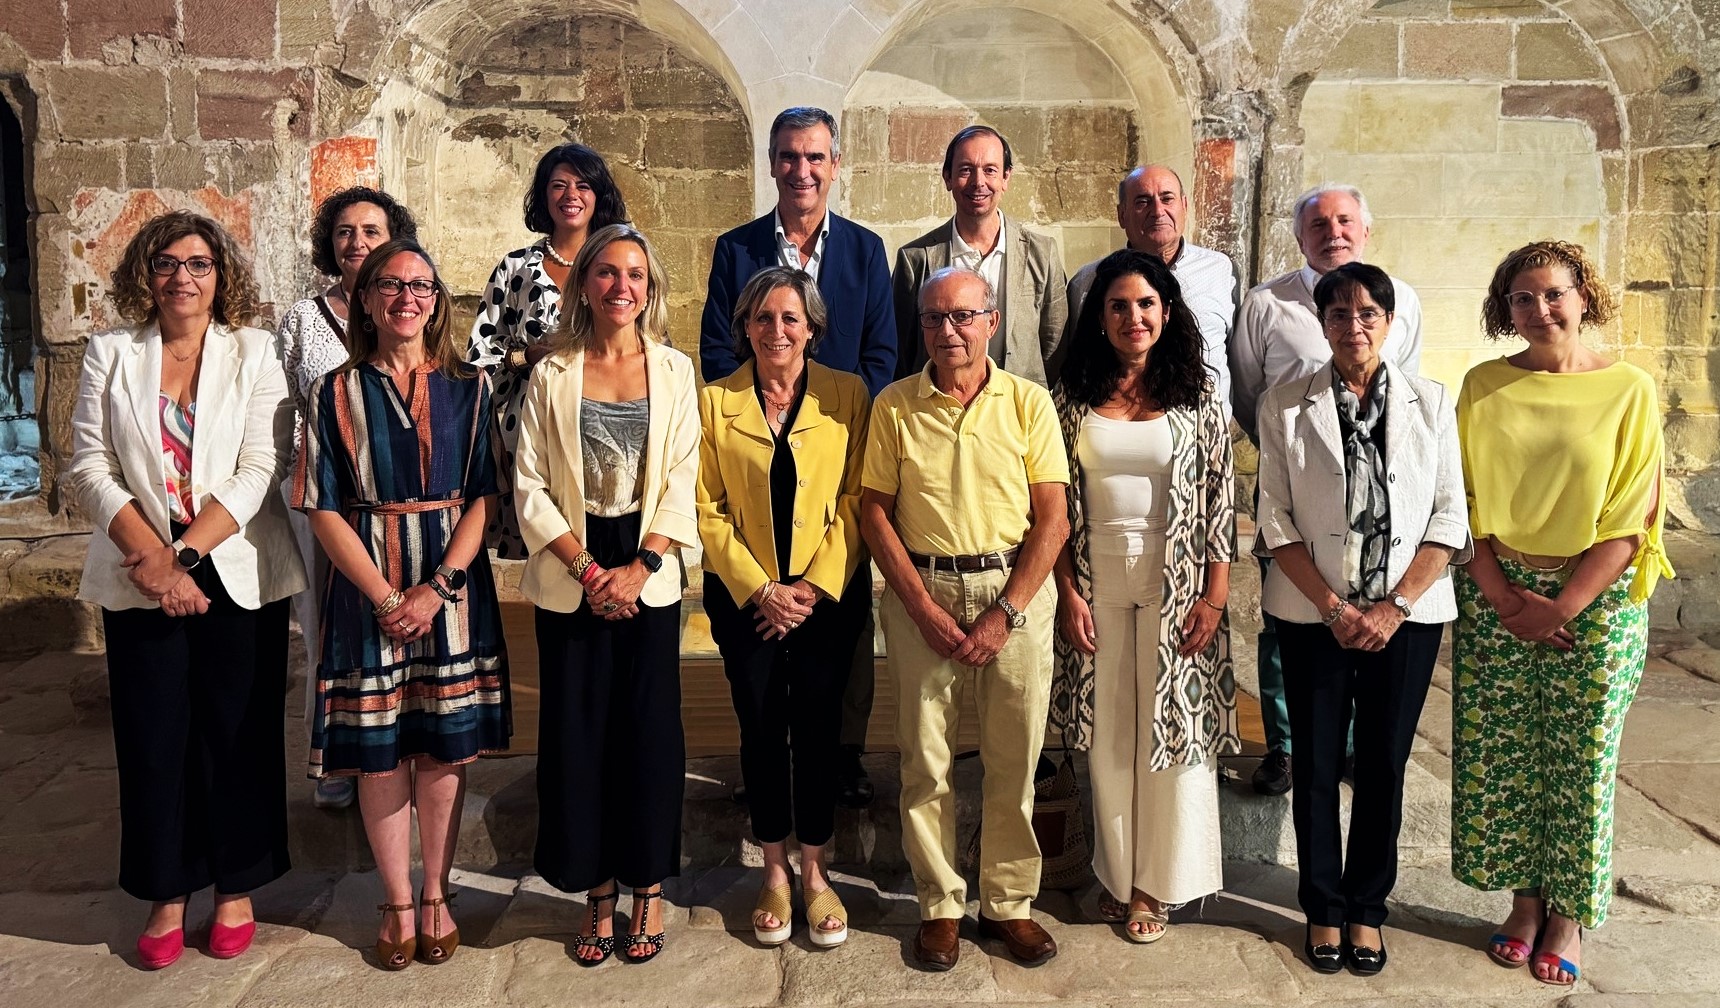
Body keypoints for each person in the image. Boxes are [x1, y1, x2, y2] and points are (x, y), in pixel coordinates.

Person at [68, 210, 306, 969]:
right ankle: (168, 890)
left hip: (235, 571)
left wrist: (189, 559)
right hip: (140, 575)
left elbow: (261, 465)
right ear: (146, 271)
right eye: (168, 263)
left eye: (199, 264)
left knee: (237, 732)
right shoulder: (110, 352)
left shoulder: (254, 352)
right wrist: (156, 562)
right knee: (153, 738)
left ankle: (235, 887)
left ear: (220, 274)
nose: (183, 277)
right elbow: (87, 467)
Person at [1451, 241, 1672, 988]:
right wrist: (1506, 596)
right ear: (1503, 308)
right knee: (1507, 756)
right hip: (1498, 592)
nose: (1539, 310)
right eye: (1521, 298)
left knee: (1581, 762)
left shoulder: (1630, 390)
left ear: (1584, 296)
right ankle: (1524, 903)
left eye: (1553, 294)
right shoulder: (1483, 387)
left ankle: (1570, 913)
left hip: (1597, 599)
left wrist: (1563, 604)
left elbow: (1631, 513)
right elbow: (1467, 503)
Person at [294, 239, 510, 970]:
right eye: (390, 284)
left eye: (421, 285)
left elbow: (485, 494)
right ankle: (394, 898)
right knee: (382, 751)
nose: (407, 298)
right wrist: (388, 595)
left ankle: (437, 895)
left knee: (443, 746)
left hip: (450, 587)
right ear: (365, 299)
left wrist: (438, 586)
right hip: (367, 590)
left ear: (439, 300)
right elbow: (322, 506)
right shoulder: (332, 392)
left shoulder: (469, 387)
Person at [1254, 262, 1470, 976]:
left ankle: (1368, 909)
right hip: (1314, 612)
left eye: (1368, 313)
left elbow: (1448, 515)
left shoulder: (1432, 402)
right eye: (1340, 314)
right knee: (1314, 764)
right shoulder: (1285, 404)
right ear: (1322, 325)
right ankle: (1322, 904)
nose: (1354, 326)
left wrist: (1394, 605)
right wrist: (1334, 606)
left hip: (1407, 617)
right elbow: (1276, 518)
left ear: (1391, 321)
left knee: (1382, 763)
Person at [861, 266, 1069, 970]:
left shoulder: (1028, 403)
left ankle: (1009, 903)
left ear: (991, 320)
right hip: (924, 594)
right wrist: (919, 606)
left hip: (1013, 595)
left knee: (1015, 759)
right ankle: (941, 904)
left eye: (961, 316)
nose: (947, 330)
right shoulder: (893, 405)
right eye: (932, 318)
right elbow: (874, 514)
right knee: (925, 760)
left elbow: (1053, 519)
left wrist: (1007, 611)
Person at [514, 223, 700, 966]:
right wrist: (591, 572)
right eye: (607, 273)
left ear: (649, 287)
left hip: (647, 567)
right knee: (578, 737)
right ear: (584, 284)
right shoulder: (552, 371)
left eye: (635, 275)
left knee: (650, 738)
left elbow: (685, 472)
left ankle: (647, 886)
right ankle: (596, 891)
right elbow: (527, 484)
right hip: (573, 568)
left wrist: (642, 567)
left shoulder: (676, 370)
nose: (622, 286)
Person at [702, 105, 896, 807]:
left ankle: (840, 755)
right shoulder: (738, 247)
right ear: (773, 163)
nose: (802, 170)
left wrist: (834, 413)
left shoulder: (866, 250)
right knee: (758, 639)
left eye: (815, 157)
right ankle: (765, 761)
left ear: (834, 166)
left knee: (841, 626)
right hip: (757, 438)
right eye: (789, 156)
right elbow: (718, 347)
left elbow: (881, 351)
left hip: (838, 448)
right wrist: (764, 403)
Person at [1048, 250, 1237, 945]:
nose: (1134, 318)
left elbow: (1221, 497)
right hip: (1097, 583)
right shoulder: (1069, 396)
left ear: (1168, 312)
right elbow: (1054, 507)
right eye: (1119, 306)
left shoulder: (1198, 394)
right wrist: (1067, 592)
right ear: (1099, 317)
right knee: (1110, 740)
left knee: (1171, 741)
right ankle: (1119, 873)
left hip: (1179, 585)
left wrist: (1215, 596)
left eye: (1147, 305)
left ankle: (1159, 883)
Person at [1229, 182, 1425, 797]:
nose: (1332, 232)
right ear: (1299, 236)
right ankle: (1287, 746)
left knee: (1368, 612)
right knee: (1286, 614)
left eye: (1344, 221)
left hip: (1377, 487)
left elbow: (1408, 392)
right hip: (1295, 481)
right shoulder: (1267, 303)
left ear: (1365, 230)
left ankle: (1349, 746)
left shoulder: (1403, 300)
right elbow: (1246, 389)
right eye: (1318, 224)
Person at [698, 267, 872, 949]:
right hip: (748, 600)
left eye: (790, 318)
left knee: (821, 726)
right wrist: (761, 588)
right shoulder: (716, 402)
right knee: (762, 726)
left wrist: (809, 586)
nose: (776, 330)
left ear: (813, 328)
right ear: (744, 325)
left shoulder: (847, 394)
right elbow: (704, 506)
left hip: (826, 597)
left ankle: (816, 870)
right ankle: (773, 867)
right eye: (763, 318)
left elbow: (861, 496)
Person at [277, 184, 419, 811]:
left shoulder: (411, 306)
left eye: (371, 231)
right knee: (325, 628)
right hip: (322, 498)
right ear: (329, 245)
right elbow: (282, 411)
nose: (357, 242)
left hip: (396, 497)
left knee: (396, 628)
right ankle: (336, 756)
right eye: (345, 232)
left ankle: (401, 750)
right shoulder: (304, 321)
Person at [468, 142, 630, 560]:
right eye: (558, 185)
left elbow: (650, 344)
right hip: (533, 431)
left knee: (613, 539)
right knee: (552, 556)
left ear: (599, 195)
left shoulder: (623, 261)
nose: (570, 195)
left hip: (608, 427)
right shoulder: (515, 268)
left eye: (582, 185)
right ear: (543, 196)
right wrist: (526, 357)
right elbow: (477, 363)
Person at [892, 125, 1068, 385]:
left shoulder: (1042, 253)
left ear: (1006, 178)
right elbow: (904, 349)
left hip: (1016, 413)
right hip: (939, 408)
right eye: (965, 170)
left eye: (990, 170)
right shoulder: (916, 259)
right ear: (947, 178)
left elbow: (1055, 347)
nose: (978, 182)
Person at [1063, 165, 1238, 414]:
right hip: (1114, 429)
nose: (1158, 211)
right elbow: (1076, 360)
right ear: (1122, 215)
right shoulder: (1088, 282)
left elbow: (1240, 361)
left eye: (1167, 198)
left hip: (1203, 434)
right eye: (1142, 202)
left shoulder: (1221, 271)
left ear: (1185, 206)